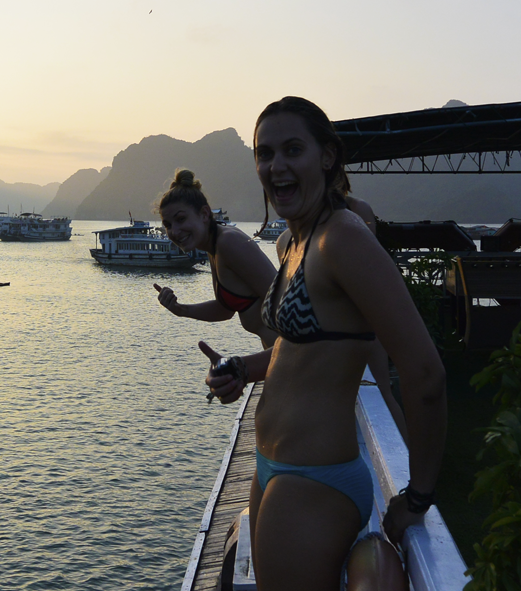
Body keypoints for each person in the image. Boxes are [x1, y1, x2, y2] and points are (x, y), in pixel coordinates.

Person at [203, 97, 446, 589]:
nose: (276, 166)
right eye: (264, 153)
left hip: (314, 480)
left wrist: (417, 496)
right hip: (274, 467)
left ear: (327, 157)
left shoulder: (343, 239)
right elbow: (297, 353)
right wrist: (242, 368)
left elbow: (425, 374)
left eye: (293, 149)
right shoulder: (293, 242)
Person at [276, 192, 409, 441]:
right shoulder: (289, 236)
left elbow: (368, 266)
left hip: (364, 317)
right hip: (326, 321)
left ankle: (403, 455)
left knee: (382, 388)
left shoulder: (356, 210)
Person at [153, 170, 279, 348]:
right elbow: (225, 310)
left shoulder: (229, 242)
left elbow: (282, 303)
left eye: (181, 219)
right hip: (278, 357)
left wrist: (246, 368)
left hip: (294, 357)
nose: (174, 231)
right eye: (168, 225)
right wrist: (181, 309)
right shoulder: (214, 247)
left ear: (204, 214)